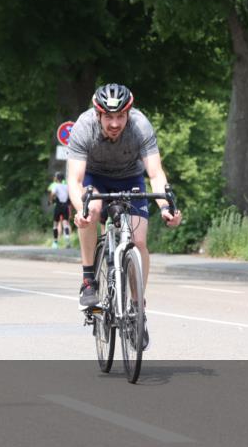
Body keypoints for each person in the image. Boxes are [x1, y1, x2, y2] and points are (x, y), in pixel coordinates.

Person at [67, 83, 182, 350]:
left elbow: (155, 173)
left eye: (120, 116)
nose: (115, 123)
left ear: (128, 113)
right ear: (98, 114)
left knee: (139, 241)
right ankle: (88, 279)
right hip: (95, 179)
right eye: (109, 117)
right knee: (92, 209)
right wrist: (81, 211)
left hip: (130, 179)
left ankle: (137, 309)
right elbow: (75, 180)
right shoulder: (84, 127)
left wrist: (166, 207)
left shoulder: (140, 126)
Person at [47, 171, 71, 248]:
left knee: (55, 224)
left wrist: (50, 201)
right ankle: (67, 240)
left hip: (58, 206)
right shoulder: (66, 186)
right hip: (65, 206)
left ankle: (55, 242)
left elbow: (52, 194)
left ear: (57, 178)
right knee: (65, 223)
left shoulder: (56, 185)